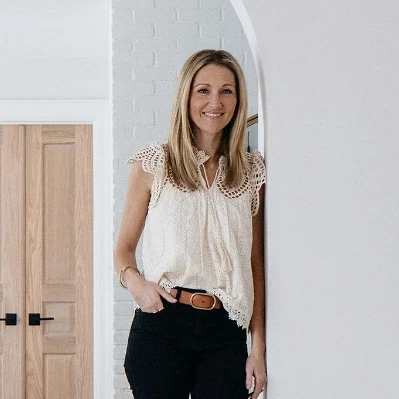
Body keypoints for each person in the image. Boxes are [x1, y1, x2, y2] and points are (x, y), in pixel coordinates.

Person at [114, 49, 267, 399]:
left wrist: (257, 349)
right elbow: (123, 249)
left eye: (227, 91)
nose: (215, 101)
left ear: (238, 100)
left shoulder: (252, 172)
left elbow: (255, 264)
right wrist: (135, 283)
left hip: (225, 331)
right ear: (186, 96)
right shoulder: (155, 163)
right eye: (204, 90)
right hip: (161, 327)